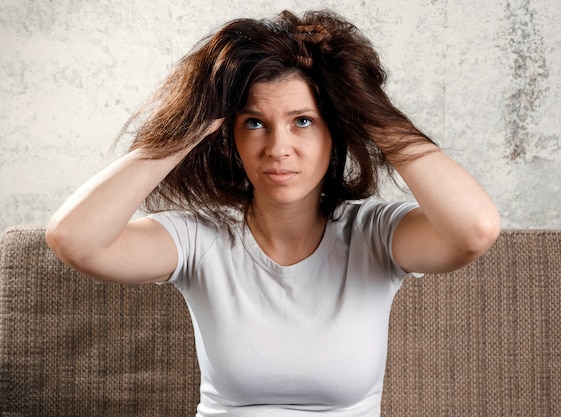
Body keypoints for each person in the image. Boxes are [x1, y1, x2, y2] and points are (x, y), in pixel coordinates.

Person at [46, 9, 501, 416]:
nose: (278, 148)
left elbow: (474, 230)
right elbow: (74, 239)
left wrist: (371, 113)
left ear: (333, 133)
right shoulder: (199, 238)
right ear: (231, 136)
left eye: (303, 121)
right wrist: (187, 126)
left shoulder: (375, 235)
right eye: (255, 123)